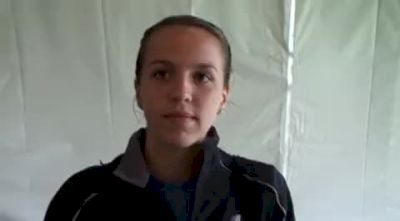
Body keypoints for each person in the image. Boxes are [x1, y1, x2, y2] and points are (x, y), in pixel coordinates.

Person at [44, 15, 295, 221]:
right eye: (162, 73)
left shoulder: (265, 193)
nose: (182, 92)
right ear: (138, 90)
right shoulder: (81, 197)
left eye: (202, 77)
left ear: (223, 97)